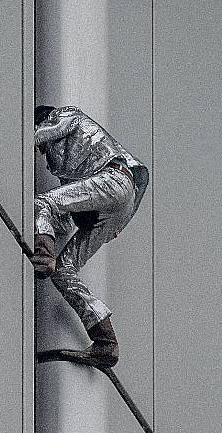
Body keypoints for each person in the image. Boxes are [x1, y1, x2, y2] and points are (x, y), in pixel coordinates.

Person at [33, 105, 149, 367]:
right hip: (117, 203)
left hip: (115, 181)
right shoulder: (75, 168)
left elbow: (49, 132)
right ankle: (105, 342)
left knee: (42, 203)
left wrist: (20, 133)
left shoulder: (65, 116)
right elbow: (63, 220)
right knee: (63, 271)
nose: (44, 155)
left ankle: (43, 255)